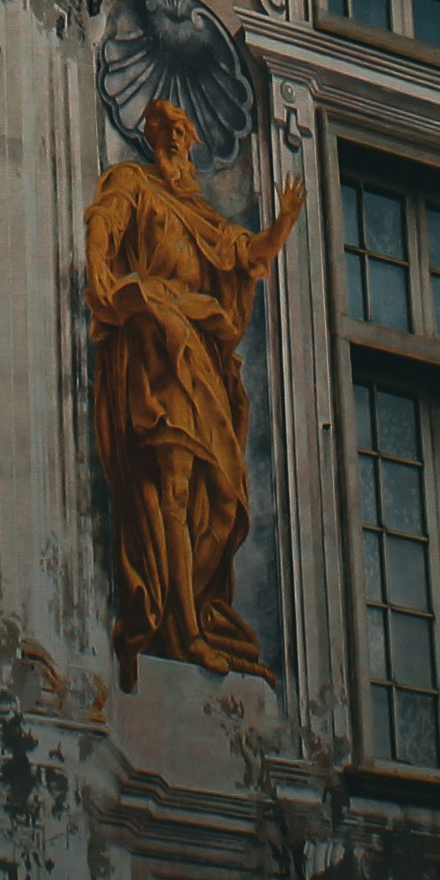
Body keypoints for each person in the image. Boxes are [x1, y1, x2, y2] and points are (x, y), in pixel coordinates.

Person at [87, 98, 300, 674]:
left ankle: (192, 611)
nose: (178, 138)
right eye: (169, 128)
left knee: (221, 498)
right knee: (172, 487)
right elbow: (104, 219)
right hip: (158, 340)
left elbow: (246, 254)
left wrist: (281, 225)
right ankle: (177, 628)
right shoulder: (134, 183)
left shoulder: (205, 217)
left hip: (197, 353)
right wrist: (101, 271)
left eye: (184, 130)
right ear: (153, 135)